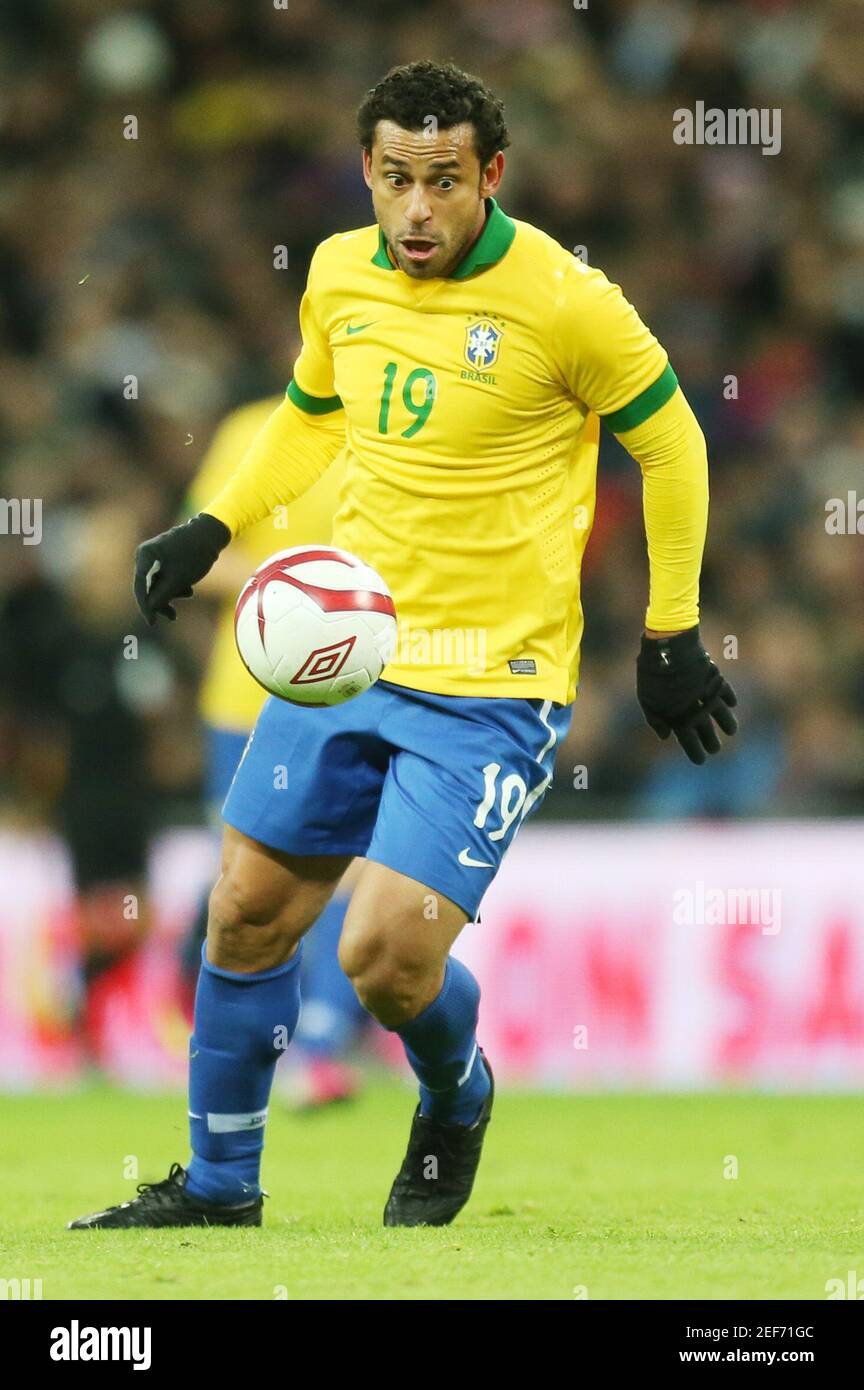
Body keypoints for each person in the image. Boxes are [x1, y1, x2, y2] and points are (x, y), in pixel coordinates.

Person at [69, 59, 737, 1231]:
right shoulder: (336, 274)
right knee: (244, 914)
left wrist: (672, 627)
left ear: (491, 174)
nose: (416, 208)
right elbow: (310, 417)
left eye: (441, 180)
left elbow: (674, 443)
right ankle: (222, 1189)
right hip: (348, 662)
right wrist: (215, 522)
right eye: (393, 179)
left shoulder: (567, 298)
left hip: (491, 684)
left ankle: (456, 1090)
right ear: (367, 175)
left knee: (384, 959)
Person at [178, 397, 371, 1108]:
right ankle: (215, 1029)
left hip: (359, 691)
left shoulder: (411, 427)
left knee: (351, 872)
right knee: (245, 885)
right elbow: (204, 556)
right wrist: (303, 588)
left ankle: (317, 1046)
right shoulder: (251, 428)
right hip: (248, 699)